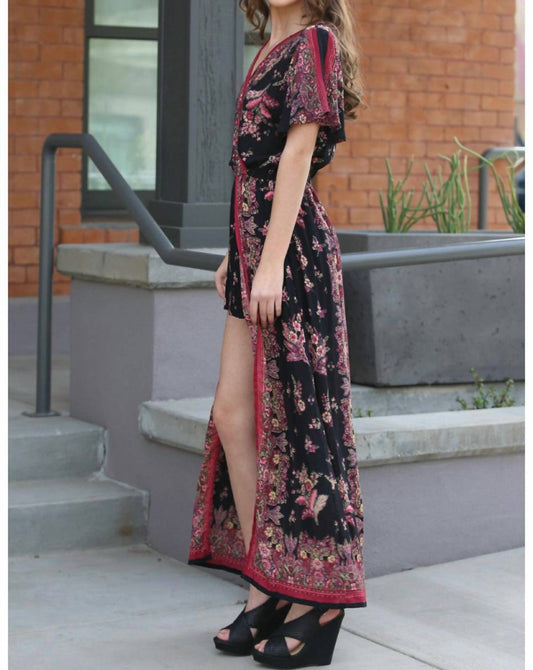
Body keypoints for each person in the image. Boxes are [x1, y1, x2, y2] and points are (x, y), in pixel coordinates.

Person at [188, 0, 367, 666]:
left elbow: (296, 155)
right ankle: (268, 581)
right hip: (255, 250)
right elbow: (250, 172)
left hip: (290, 257)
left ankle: (318, 600)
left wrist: (268, 262)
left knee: (302, 423)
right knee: (233, 416)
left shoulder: (315, 41)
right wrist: (234, 252)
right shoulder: (269, 46)